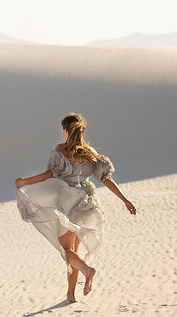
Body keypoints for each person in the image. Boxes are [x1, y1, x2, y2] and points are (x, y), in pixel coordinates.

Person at [15, 112, 137, 303]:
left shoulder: (60, 151)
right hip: (88, 203)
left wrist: (24, 182)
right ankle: (71, 296)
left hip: (68, 203)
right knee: (74, 252)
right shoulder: (90, 153)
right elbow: (105, 179)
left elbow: (50, 174)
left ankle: (88, 271)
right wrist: (125, 200)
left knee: (67, 251)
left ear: (65, 130)